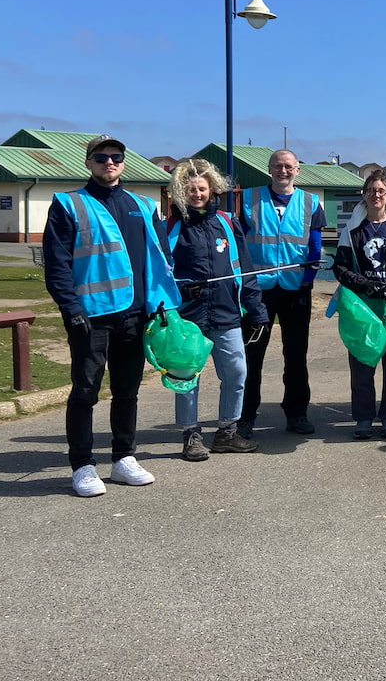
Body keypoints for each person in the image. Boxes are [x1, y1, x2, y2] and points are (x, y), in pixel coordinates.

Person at [43, 135, 183, 497]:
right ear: (88, 162)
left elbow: (161, 259)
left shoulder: (142, 204)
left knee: (127, 391)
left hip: (136, 314)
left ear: (124, 163)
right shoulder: (68, 204)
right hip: (90, 316)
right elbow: (57, 264)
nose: (109, 163)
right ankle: (83, 465)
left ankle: (123, 458)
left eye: (116, 157)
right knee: (85, 391)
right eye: (101, 157)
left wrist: (161, 302)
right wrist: (69, 307)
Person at [166, 158, 268, 461]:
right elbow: (160, 273)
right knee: (187, 379)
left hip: (227, 314)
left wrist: (256, 308)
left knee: (237, 373)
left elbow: (244, 268)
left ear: (212, 190)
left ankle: (227, 432)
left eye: (202, 189)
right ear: (180, 193)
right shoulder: (170, 228)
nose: (197, 194)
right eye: (190, 190)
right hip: (188, 318)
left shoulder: (227, 223)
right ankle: (191, 435)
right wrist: (184, 287)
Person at [240, 149, 326, 438]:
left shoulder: (310, 203)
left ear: (297, 170)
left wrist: (307, 282)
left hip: (295, 290)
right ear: (269, 169)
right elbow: (239, 244)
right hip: (258, 290)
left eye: (289, 166)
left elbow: (315, 249)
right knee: (252, 355)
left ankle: (297, 413)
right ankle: (246, 416)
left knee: (296, 354)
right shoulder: (249, 199)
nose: (283, 171)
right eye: (278, 166)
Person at [333, 170, 386, 440]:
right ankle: (364, 417)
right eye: (371, 191)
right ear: (364, 195)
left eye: (381, 191)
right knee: (362, 363)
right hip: (363, 306)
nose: (376, 195)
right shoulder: (352, 231)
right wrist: (363, 284)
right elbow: (340, 268)